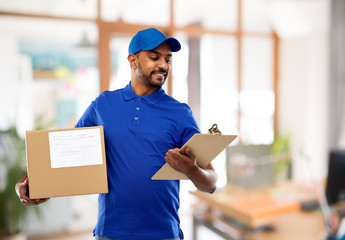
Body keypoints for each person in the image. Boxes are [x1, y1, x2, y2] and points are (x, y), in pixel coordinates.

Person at [15, 28, 217, 240]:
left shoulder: (180, 113)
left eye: (168, 59)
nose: (163, 65)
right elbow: (67, 156)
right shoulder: (103, 105)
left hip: (163, 233)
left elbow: (211, 183)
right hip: (110, 232)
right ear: (133, 61)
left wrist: (191, 170)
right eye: (154, 57)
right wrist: (29, 184)